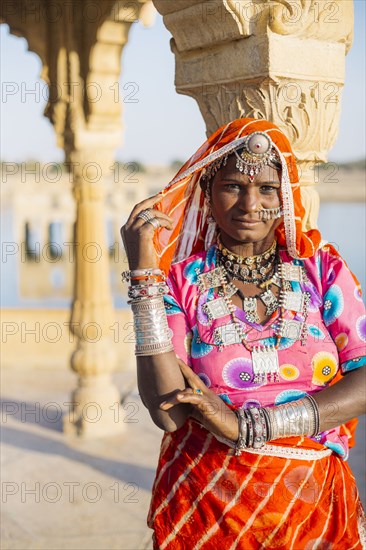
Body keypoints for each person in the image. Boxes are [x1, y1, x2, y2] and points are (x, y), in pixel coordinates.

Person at [121, 118, 366, 549]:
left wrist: (246, 426)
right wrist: (145, 275)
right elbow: (167, 412)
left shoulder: (321, 268)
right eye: (233, 186)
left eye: (268, 189)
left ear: (284, 197)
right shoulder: (180, 282)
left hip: (311, 511)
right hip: (208, 507)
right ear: (208, 196)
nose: (250, 204)